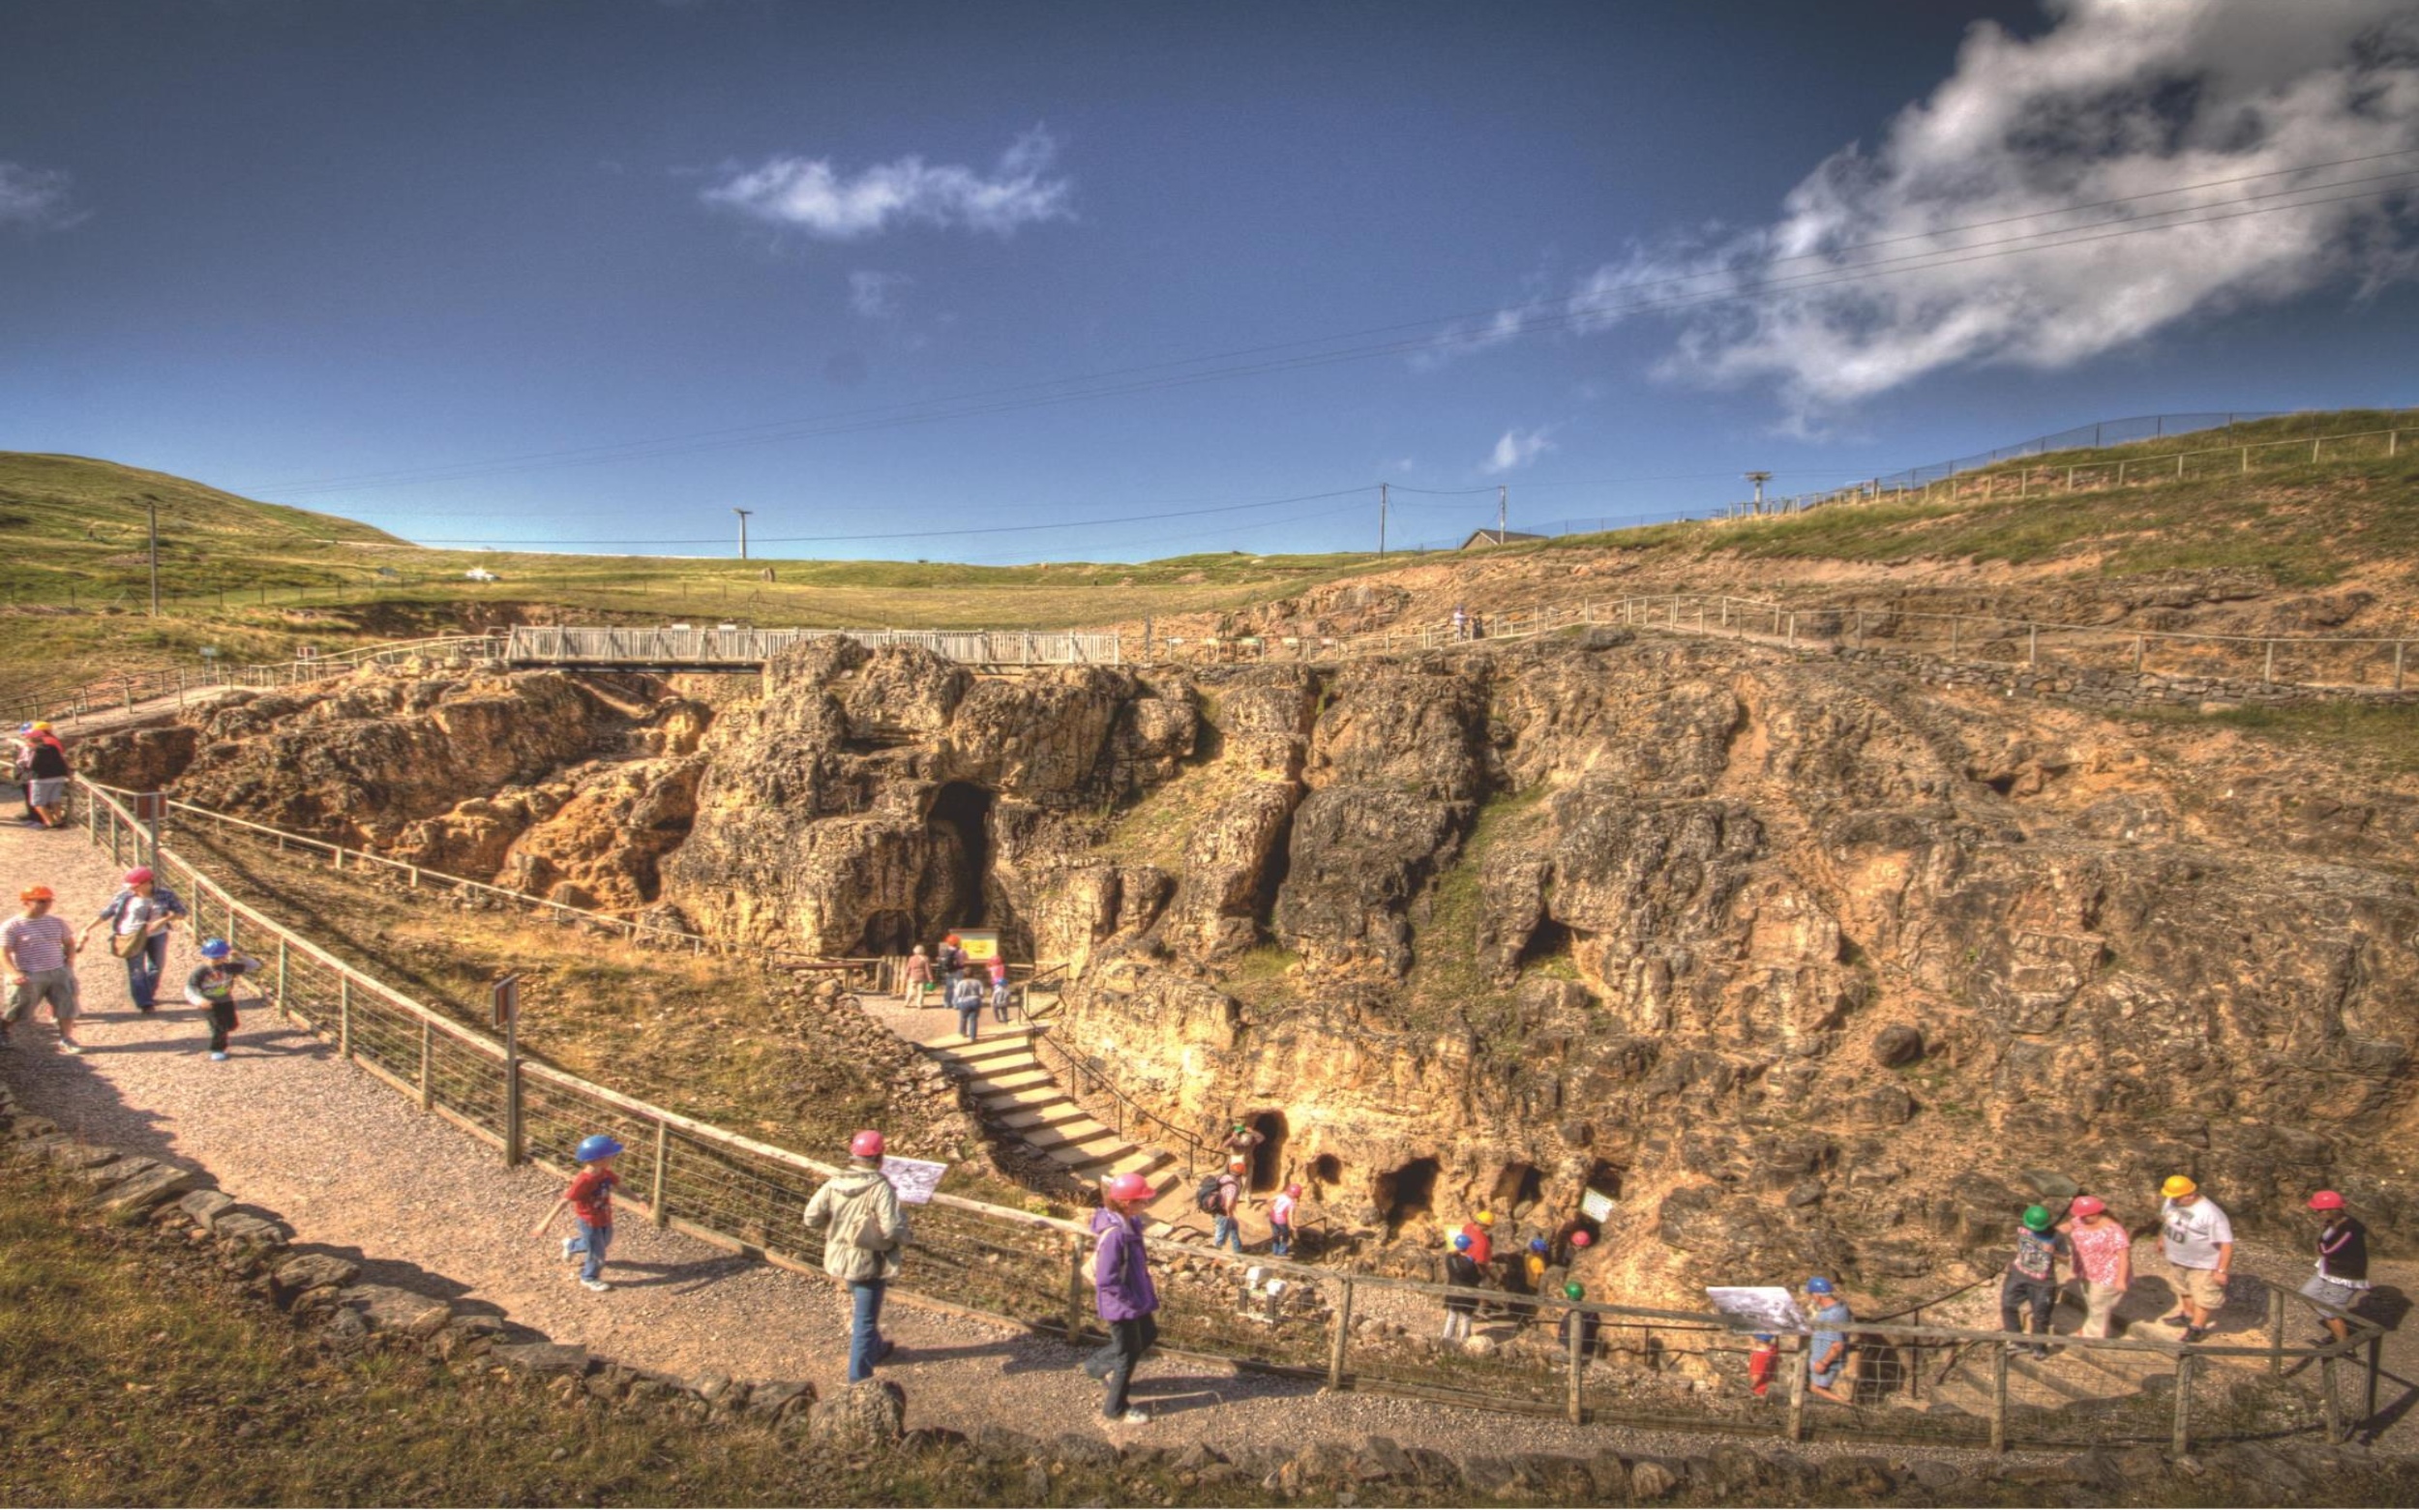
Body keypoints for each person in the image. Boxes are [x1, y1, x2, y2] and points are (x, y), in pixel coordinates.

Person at [801, 1130, 909, 1382]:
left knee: (862, 1309)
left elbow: (811, 1218)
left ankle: (878, 1349)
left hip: (839, 1258)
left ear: (854, 1155)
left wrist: (835, 1229)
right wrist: (906, 1237)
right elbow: (892, 1228)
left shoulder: (834, 1182)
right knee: (865, 1322)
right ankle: (858, 1381)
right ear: (880, 1157)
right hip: (869, 1260)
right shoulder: (880, 1188)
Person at [1087, 1171, 1160, 1424]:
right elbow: (1107, 1279)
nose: (1146, 1204)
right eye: (1143, 1200)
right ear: (1128, 1204)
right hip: (1122, 1304)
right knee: (1127, 1355)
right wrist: (1133, 1301)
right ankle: (1115, 1409)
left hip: (1135, 1296)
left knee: (1148, 1333)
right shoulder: (1116, 1234)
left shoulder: (1130, 1222)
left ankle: (1096, 1366)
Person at [79, 867, 187, 1013]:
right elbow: (106, 913)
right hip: (131, 936)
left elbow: (181, 913)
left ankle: (147, 993)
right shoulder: (124, 896)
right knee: (136, 970)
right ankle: (145, 1003)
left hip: (157, 935)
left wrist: (163, 920)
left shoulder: (165, 895)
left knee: (156, 967)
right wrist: (87, 928)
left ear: (148, 883)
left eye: (136, 886)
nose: (133, 889)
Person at [531, 1134, 623, 1292]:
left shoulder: (605, 1173)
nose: (614, 1157)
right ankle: (589, 1278)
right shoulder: (583, 1181)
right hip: (589, 1221)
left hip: (604, 1217)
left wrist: (638, 1200)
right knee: (598, 1253)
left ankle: (572, 1245)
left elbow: (620, 1185)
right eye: (611, 1155)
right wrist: (544, 1223)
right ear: (598, 1159)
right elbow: (564, 1201)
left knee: (604, 1242)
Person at [3, 884, 82, 1053]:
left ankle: (66, 1039)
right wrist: (13, 973)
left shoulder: (57, 922)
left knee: (66, 1006)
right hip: (29, 973)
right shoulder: (12, 926)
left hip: (58, 971)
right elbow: (3, 952)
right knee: (18, 1006)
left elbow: (69, 943)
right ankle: (4, 1029)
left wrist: (69, 964)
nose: (46, 904)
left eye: (49, 901)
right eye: (41, 901)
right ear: (26, 902)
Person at [2157, 1174, 2233, 1344]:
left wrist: (2221, 1270)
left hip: (2204, 1263)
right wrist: (2162, 1238)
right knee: (2183, 1287)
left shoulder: (2211, 1214)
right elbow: (2167, 1221)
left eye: (2178, 1198)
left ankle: (2197, 1327)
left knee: (2204, 1295)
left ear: (2190, 1194)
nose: (2174, 1200)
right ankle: (2187, 1314)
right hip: (2178, 1257)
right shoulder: (2171, 1201)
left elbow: (2226, 1244)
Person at [2303, 1191, 2371, 1346]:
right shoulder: (2332, 1223)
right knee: (2307, 1295)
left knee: (2330, 1309)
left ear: (2331, 1211)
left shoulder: (2349, 1229)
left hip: (2344, 1275)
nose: (2317, 1213)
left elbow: (2327, 1250)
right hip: (2329, 1269)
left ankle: (2343, 1343)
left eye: (2319, 1210)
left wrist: (2320, 1242)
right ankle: (2339, 1328)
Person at [2001, 1204, 2069, 1355]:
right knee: (2008, 1306)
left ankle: (2038, 1348)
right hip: (2018, 1274)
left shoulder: (2056, 1237)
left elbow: (2066, 1259)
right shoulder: (2022, 1228)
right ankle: (2017, 1342)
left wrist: (2054, 1252)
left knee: (2040, 1317)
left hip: (2043, 1283)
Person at [2062, 1196, 2133, 1339]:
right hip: (2086, 1270)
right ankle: (2100, 1329)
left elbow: (2123, 1257)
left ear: (2096, 1213)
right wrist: (2045, 1233)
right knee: (2092, 1302)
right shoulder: (2079, 1221)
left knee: (2097, 1304)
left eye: (2085, 1215)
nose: (2081, 1218)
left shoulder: (2113, 1230)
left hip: (2107, 1273)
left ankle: (2093, 1335)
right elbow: (2066, 1227)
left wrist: (2120, 1280)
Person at [183, 936, 262, 1061]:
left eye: (220, 957)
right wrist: (199, 1000)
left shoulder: (228, 967)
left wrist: (240, 957)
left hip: (226, 1000)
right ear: (205, 956)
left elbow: (255, 966)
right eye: (213, 957)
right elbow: (189, 988)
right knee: (219, 1027)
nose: (216, 960)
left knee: (232, 1025)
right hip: (209, 1002)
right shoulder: (201, 971)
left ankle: (220, 1030)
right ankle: (217, 1049)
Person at [1805, 1276, 1856, 1405]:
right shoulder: (1838, 1308)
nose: (1811, 1298)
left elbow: (1837, 1345)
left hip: (1826, 1360)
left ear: (1817, 1296)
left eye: (1811, 1295)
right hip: (1822, 1358)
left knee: (1815, 1388)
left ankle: (1850, 1407)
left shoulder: (1833, 1316)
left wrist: (1824, 1362)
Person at [22, 722, 69, 829]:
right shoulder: (53, 747)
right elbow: (61, 759)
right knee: (55, 800)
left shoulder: (33, 750)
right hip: (58, 777)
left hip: (41, 779)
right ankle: (59, 821)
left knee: (37, 802)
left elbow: (29, 765)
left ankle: (50, 822)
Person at [1441, 1232, 1481, 1343]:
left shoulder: (1449, 1257)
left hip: (1453, 1291)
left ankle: (1446, 1338)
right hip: (1467, 1293)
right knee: (1466, 1317)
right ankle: (1464, 1340)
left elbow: (1454, 1255)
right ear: (1468, 1247)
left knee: (1452, 1316)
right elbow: (1476, 1278)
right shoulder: (1469, 1263)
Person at [1557, 1281, 1600, 1362]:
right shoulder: (1592, 1311)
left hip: (1572, 1350)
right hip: (1588, 1348)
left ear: (1569, 1297)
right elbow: (1597, 1325)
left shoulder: (1570, 1315)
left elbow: (1562, 1335)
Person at [1210, 1160, 1244, 1253]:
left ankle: (1238, 1249)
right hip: (1224, 1212)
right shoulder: (1233, 1186)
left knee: (1234, 1226)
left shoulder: (1225, 1177)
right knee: (1221, 1234)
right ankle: (1215, 1253)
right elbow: (1229, 1203)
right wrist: (1229, 1213)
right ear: (1241, 1174)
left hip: (1217, 1207)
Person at [947, 968, 984, 1042]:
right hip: (975, 1001)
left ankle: (962, 1033)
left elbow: (957, 994)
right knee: (973, 1020)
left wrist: (954, 1004)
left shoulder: (961, 983)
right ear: (973, 974)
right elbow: (982, 994)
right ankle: (973, 1037)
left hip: (963, 1001)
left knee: (963, 1018)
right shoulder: (978, 982)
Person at [1269, 1182, 1300, 1258]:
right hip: (1281, 1221)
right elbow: (1290, 1215)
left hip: (1272, 1218)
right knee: (1285, 1235)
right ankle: (1282, 1252)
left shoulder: (1282, 1195)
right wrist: (1292, 1226)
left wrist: (1265, 1202)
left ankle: (1275, 1251)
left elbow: (1271, 1199)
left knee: (1275, 1235)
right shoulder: (1291, 1203)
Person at [903, 945, 933, 1009]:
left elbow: (908, 968)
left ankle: (907, 1002)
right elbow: (928, 970)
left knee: (911, 990)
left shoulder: (911, 958)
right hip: (922, 977)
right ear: (923, 951)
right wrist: (930, 978)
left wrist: (906, 976)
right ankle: (919, 1004)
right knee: (921, 991)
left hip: (912, 976)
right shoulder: (925, 959)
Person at [988, 957, 1011, 1023]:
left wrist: (988, 964)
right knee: (1003, 994)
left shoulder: (993, 968)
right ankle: (1005, 1019)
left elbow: (988, 969)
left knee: (995, 994)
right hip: (1002, 980)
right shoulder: (1002, 966)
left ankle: (997, 1018)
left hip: (995, 981)